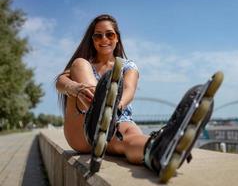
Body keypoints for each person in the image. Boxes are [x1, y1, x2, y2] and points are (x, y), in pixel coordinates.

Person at [55, 14, 223, 183]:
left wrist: (115, 107)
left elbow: (129, 88)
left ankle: (159, 152)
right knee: (79, 64)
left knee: (131, 138)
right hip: (81, 131)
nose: (104, 39)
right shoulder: (86, 64)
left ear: (117, 38)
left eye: (109, 34)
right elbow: (61, 81)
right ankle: (97, 118)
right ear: (92, 39)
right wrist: (75, 88)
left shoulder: (128, 66)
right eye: (98, 35)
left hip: (116, 122)